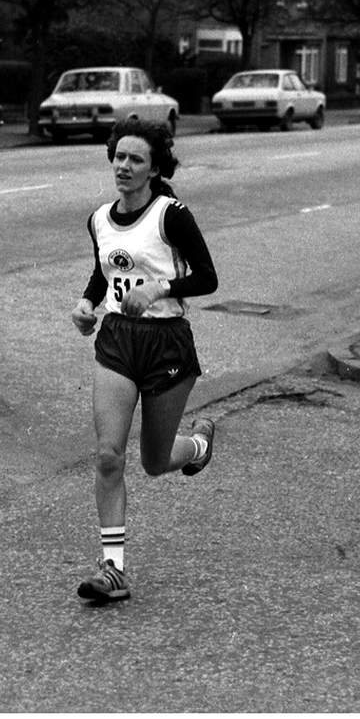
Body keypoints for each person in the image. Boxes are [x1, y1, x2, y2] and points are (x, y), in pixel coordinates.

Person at [70, 120, 219, 603]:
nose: (124, 166)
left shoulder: (171, 215)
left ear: (155, 168)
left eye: (135, 159)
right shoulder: (99, 218)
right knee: (109, 455)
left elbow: (208, 278)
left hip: (166, 344)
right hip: (117, 341)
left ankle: (196, 447)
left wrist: (161, 287)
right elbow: (105, 268)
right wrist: (87, 305)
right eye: (118, 157)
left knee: (155, 461)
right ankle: (113, 570)